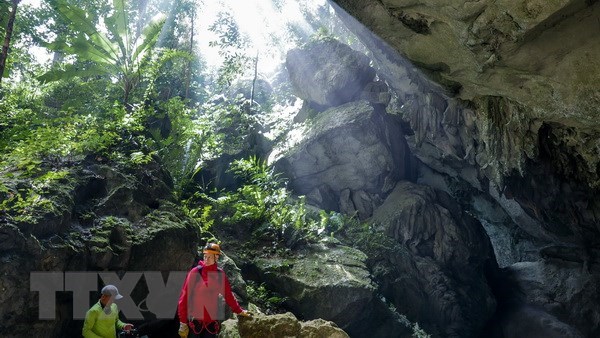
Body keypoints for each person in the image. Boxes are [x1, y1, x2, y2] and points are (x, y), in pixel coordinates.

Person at [177, 242, 250, 338]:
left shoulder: (220, 275)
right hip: (195, 323)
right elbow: (184, 297)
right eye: (205, 256)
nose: (206, 260)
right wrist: (183, 323)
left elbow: (228, 295)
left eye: (209, 257)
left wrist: (239, 311)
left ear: (216, 258)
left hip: (211, 324)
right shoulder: (195, 272)